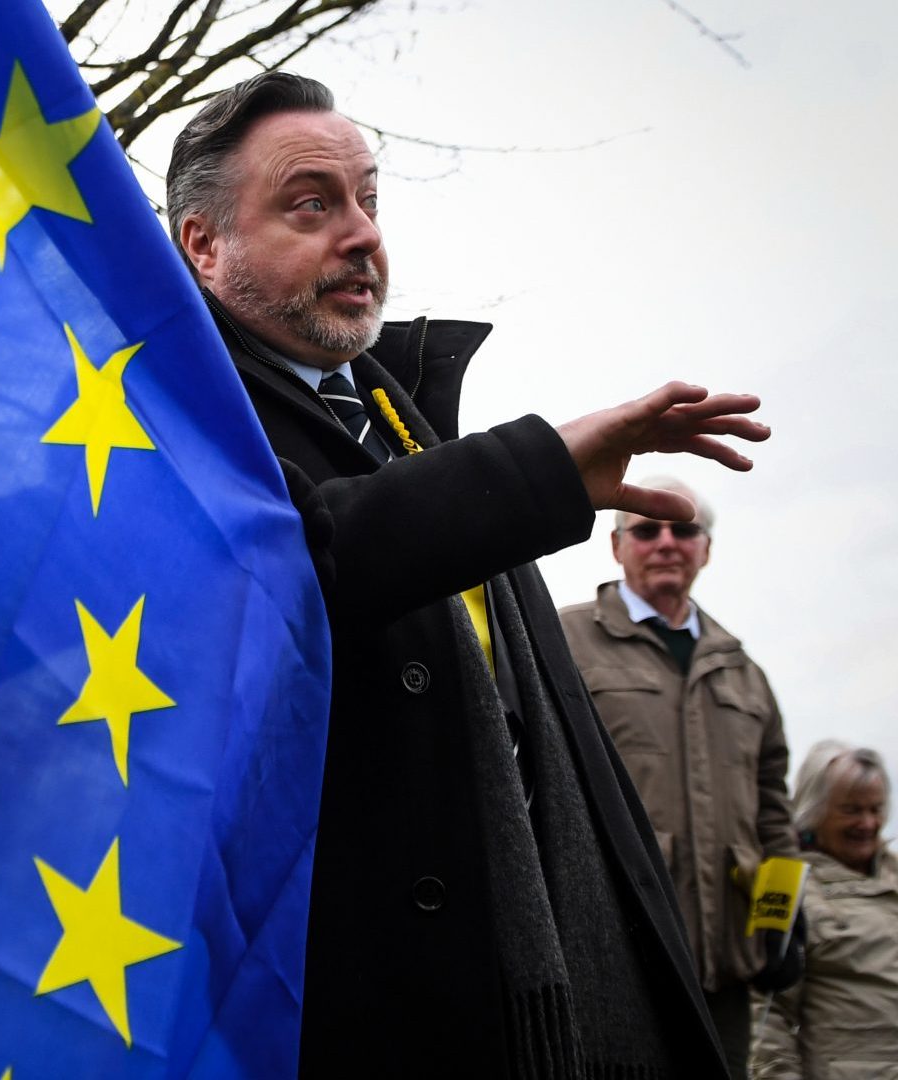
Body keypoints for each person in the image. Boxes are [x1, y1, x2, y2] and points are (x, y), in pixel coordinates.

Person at [167, 72, 768, 1077]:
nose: (361, 236)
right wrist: (537, 469)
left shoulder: (410, 422)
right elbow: (295, 559)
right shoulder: (161, 428)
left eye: (368, 200)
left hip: (528, 990)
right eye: (311, 204)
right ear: (203, 244)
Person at [559, 479, 800, 1076]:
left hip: (728, 964)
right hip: (617, 954)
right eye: (646, 529)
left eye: (684, 529)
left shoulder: (745, 673)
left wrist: (778, 923)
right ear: (617, 547)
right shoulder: (562, 641)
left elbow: (775, 817)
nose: (666, 542)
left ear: (706, 549)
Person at [751, 741, 896, 1078]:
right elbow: (765, 1013)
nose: (868, 823)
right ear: (812, 811)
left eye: (876, 809)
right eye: (851, 810)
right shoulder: (784, 883)